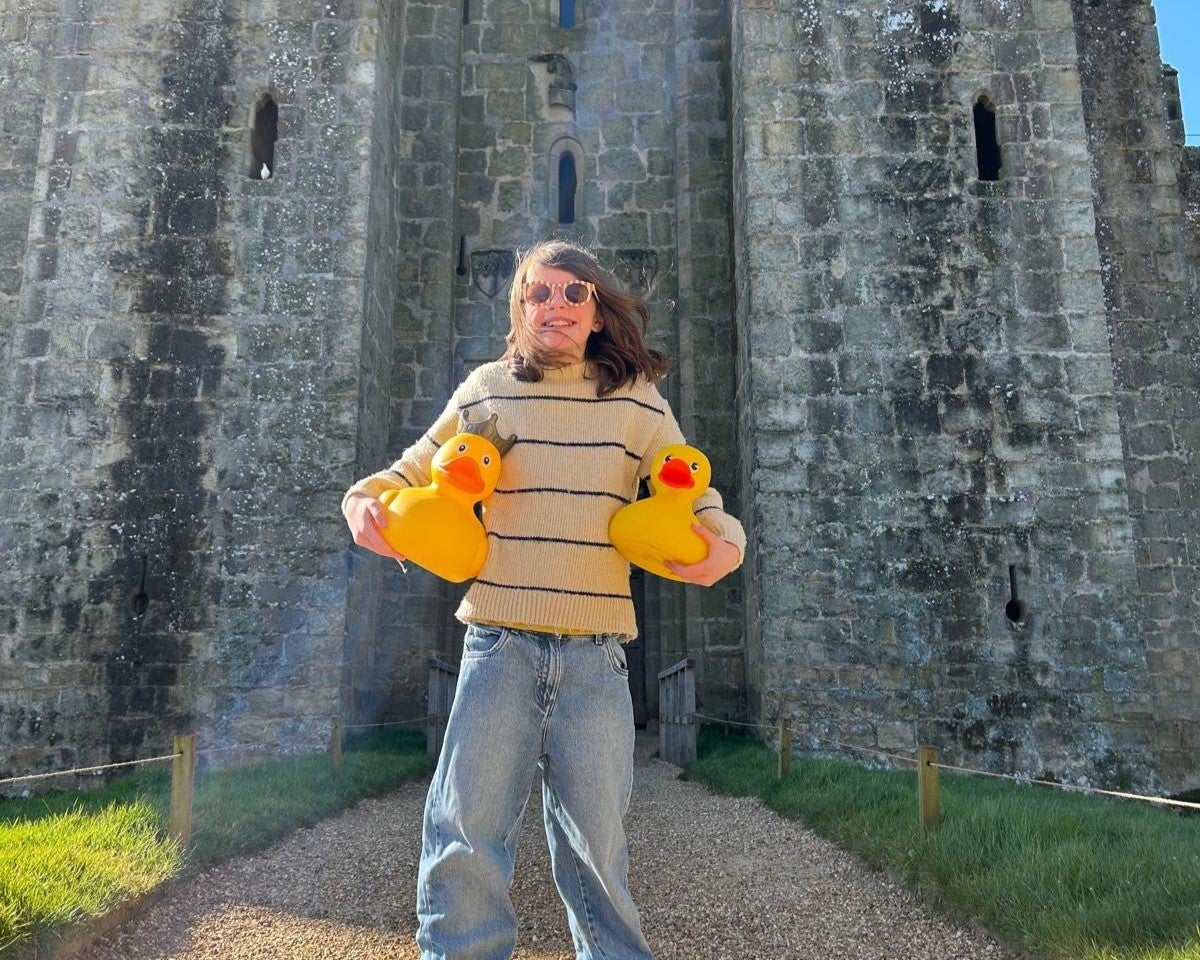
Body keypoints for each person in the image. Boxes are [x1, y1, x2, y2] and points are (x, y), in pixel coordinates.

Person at [341, 239, 745, 960]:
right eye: (537, 293)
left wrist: (725, 544)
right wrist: (361, 501)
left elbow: (694, 491)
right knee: (465, 838)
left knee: (598, 851)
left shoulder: (638, 405)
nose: (554, 305)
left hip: (597, 662)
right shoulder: (485, 392)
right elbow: (409, 472)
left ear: (596, 312)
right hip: (498, 646)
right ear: (518, 308)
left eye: (572, 293)